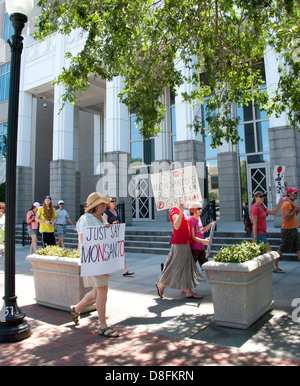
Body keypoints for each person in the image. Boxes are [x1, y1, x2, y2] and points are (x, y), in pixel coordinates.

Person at [70, 192, 119, 338]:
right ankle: (103, 326)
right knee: (103, 290)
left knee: (97, 292)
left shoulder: (102, 218)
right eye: (102, 203)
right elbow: (84, 241)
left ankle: (76, 308)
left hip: (104, 258)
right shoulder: (85, 219)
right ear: (95, 205)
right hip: (93, 259)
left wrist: (110, 228)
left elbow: (105, 235)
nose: (104, 205)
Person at [155, 203, 203, 299]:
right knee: (175, 265)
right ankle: (161, 284)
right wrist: (181, 211)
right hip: (180, 243)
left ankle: (188, 291)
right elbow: (176, 226)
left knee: (185, 266)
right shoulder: (175, 211)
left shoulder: (183, 211)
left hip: (185, 242)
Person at [250, 191, 282, 271]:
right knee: (269, 252)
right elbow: (255, 223)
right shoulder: (254, 208)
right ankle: (272, 268)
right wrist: (255, 236)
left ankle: (264, 269)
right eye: (261, 196)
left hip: (262, 233)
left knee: (260, 254)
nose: (262, 198)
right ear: (256, 197)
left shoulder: (262, 207)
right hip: (258, 234)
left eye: (263, 196)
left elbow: (273, 212)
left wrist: (279, 204)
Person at [102, 197, 134, 276]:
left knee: (121, 252)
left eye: (115, 201)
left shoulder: (116, 211)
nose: (114, 203)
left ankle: (125, 270)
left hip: (117, 235)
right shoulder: (106, 212)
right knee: (109, 253)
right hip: (110, 236)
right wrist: (112, 224)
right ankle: (106, 271)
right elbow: (104, 224)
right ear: (108, 203)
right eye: (112, 201)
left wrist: (117, 223)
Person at [276, 187, 300, 272]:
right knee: (282, 248)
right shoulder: (287, 204)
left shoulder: (291, 203)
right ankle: (274, 265)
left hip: (293, 228)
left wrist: (296, 210)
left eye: (296, 193)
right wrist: (295, 210)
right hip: (287, 229)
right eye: (294, 193)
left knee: (298, 248)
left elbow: (293, 215)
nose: (296, 194)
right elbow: (287, 216)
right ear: (289, 194)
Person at [189, 202, 216, 269]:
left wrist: (210, 225)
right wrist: (204, 241)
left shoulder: (199, 219)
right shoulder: (192, 220)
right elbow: (193, 236)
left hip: (201, 247)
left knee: (206, 265)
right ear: (193, 210)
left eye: (201, 208)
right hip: (194, 248)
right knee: (191, 267)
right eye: (199, 208)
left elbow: (202, 230)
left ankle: (210, 277)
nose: (201, 210)